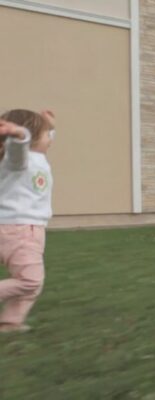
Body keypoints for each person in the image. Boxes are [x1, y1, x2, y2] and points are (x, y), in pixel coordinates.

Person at [0, 109, 56, 333]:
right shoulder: (17, 160)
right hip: (19, 230)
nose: (50, 139)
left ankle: (10, 322)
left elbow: (44, 140)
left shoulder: (37, 156)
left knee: (33, 283)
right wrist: (19, 134)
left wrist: (49, 126)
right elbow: (18, 147)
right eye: (46, 134)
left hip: (26, 229)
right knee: (30, 282)